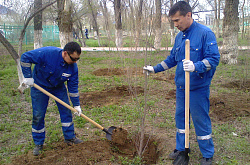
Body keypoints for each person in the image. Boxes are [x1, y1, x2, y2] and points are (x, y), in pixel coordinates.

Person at [143, 1, 220, 165]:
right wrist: (155, 69)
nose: (175, 24)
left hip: (198, 88)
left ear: (189, 15)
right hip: (181, 87)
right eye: (173, 21)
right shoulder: (179, 37)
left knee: (200, 120)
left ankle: (207, 154)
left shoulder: (205, 33)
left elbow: (214, 59)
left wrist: (195, 66)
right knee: (180, 119)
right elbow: (172, 59)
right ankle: (182, 149)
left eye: (177, 20)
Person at [20, 42, 83, 156]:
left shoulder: (73, 68)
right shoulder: (47, 53)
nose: (75, 62)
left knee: (66, 111)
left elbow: (73, 88)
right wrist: (28, 77)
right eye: (73, 59)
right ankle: (38, 143)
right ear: (65, 53)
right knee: (38, 115)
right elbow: (25, 57)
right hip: (39, 86)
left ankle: (70, 138)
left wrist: (76, 105)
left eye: (77, 59)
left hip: (58, 87)